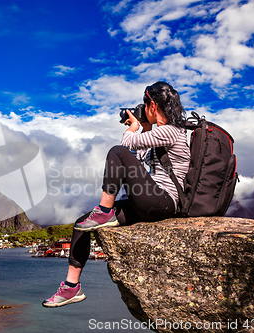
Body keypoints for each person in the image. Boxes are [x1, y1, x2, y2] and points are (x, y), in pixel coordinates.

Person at [42, 81, 190, 308]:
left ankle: (105, 210)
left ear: (152, 104)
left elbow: (126, 145)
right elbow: (137, 161)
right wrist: (144, 128)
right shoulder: (160, 134)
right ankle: (72, 287)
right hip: (151, 200)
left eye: (144, 104)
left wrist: (133, 127)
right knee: (83, 222)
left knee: (116, 151)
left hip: (165, 202)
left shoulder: (172, 131)